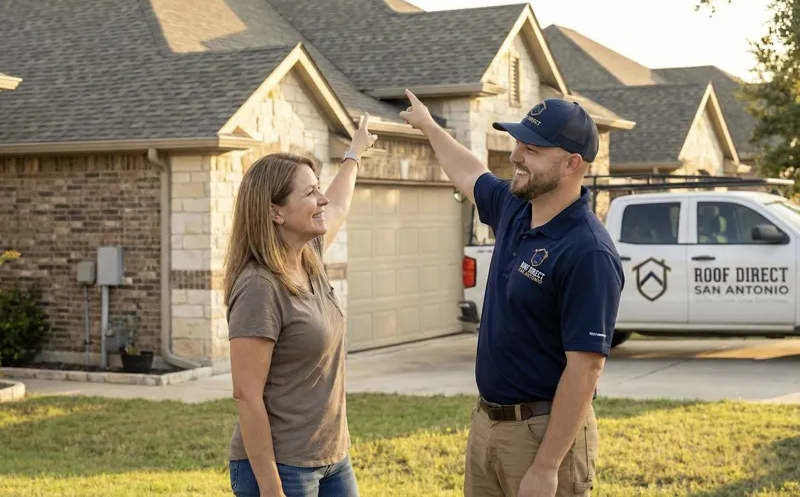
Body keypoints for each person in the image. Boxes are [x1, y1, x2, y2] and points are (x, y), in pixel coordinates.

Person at [400, 91, 624, 497]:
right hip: (488, 423)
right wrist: (431, 128)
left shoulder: (588, 251)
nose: (516, 155)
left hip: (541, 434)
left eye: (532, 149)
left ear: (573, 163)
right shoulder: (516, 208)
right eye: (518, 142)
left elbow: (585, 369)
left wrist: (546, 466)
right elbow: (470, 174)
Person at [223, 114, 377, 497]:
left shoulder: (308, 256)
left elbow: (338, 203)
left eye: (318, 188)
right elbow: (246, 394)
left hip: (332, 458)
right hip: (284, 467)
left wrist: (354, 152)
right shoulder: (260, 287)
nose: (322, 199)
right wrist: (271, 487)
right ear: (276, 212)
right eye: (310, 193)